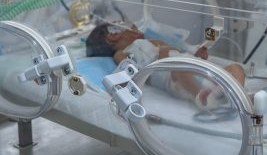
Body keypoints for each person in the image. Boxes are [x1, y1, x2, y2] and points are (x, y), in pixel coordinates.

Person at [85, 21, 246, 106]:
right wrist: (163, 56)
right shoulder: (121, 53)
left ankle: (238, 97)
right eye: (122, 25)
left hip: (192, 65)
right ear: (113, 36)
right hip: (171, 76)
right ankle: (202, 97)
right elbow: (131, 70)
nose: (132, 25)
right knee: (178, 66)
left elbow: (179, 52)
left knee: (235, 68)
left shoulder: (151, 41)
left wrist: (197, 55)